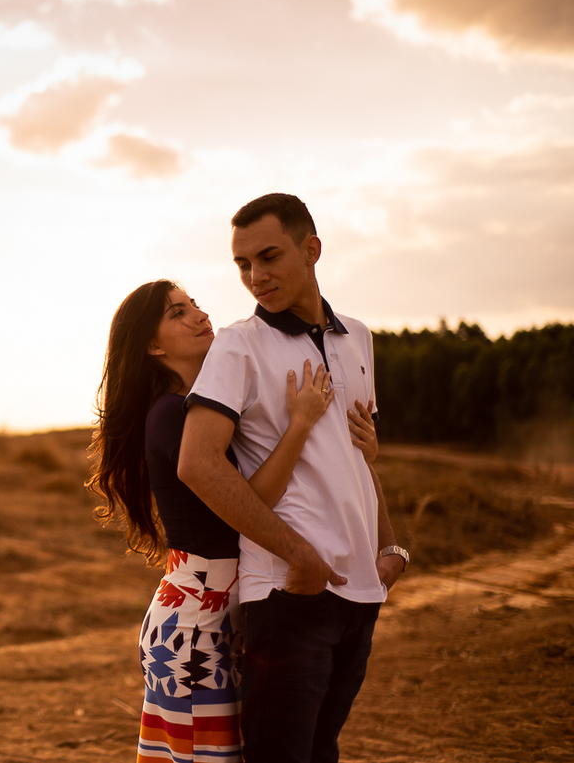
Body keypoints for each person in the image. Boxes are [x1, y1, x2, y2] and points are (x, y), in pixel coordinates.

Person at [87, 279, 376, 763]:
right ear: (154, 346)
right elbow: (254, 501)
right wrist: (300, 424)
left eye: (195, 304)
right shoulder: (173, 414)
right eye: (178, 313)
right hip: (197, 620)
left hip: (207, 610)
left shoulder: (198, 408)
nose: (200, 316)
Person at [178, 193, 407, 763]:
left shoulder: (358, 337)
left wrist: (392, 546)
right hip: (289, 593)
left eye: (270, 256)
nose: (256, 276)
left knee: (322, 751)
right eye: (242, 264)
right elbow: (197, 463)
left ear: (312, 251)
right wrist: (295, 554)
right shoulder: (238, 345)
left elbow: (357, 455)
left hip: (359, 590)